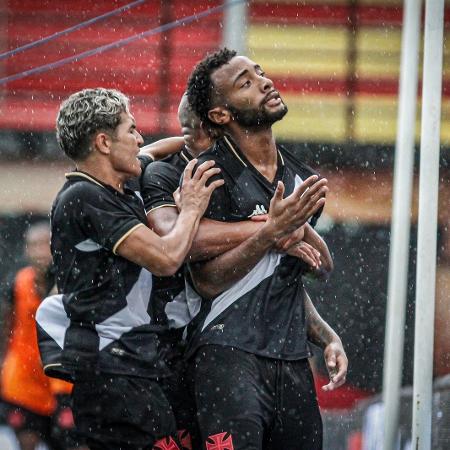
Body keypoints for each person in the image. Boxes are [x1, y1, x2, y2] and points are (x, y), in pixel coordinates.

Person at [35, 87, 224, 450]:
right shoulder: (84, 196)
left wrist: (199, 139)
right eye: (131, 130)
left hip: (135, 368)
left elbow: (153, 150)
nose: (140, 139)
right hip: (112, 369)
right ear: (104, 143)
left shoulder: (119, 181)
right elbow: (168, 258)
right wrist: (192, 209)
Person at [184, 48, 348, 449]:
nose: (264, 82)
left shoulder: (303, 181)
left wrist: (327, 336)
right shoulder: (207, 173)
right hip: (226, 355)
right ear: (221, 114)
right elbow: (206, 281)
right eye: (246, 83)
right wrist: (269, 232)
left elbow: (297, 274)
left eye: (259, 73)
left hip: (292, 361)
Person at [0, 222, 86, 450]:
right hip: (24, 379)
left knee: (73, 441)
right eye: (34, 245)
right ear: (26, 250)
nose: (40, 251)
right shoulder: (16, 283)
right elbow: (5, 326)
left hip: (61, 379)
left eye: (45, 244)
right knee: (27, 440)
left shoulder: (72, 280)